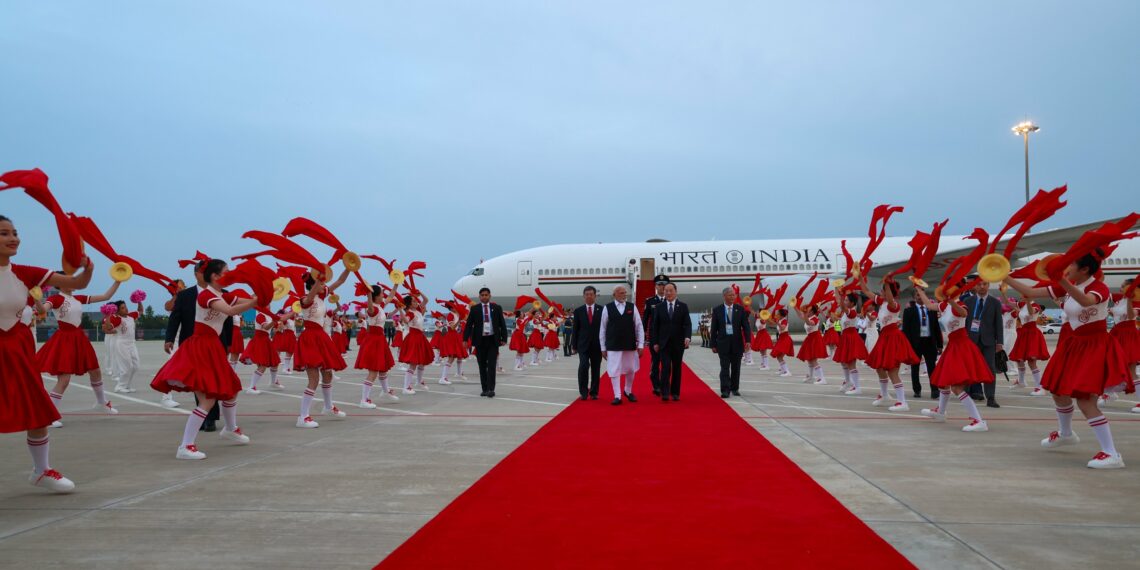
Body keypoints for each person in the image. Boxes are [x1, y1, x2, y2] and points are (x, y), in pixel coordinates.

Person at [1003, 250, 1130, 468]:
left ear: (1085, 269)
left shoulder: (1097, 287)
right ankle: (1066, 434)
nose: (1066, 269)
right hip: (1074, 345)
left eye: (1071, 265)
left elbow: (1086, 301)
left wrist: (1061, 279)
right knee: (1058, 391)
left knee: (1085, 400)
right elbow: (1029, 291)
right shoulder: (1067, 285)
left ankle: (1111, 453)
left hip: (1095, 345)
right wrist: (1004, 275)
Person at [1, 214, 96, 492]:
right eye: (4, 233)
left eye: (15, 232)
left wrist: (87, 267)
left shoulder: (26, 272)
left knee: (37, 410)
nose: (13, 238)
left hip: (18, 349)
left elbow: (77, 284)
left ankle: (41, 471)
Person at [152, 259, 257, 459]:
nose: (230, 274)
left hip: (212, 347)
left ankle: (230, 429)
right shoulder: (207, 295)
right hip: (200, 347)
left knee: (231, 389)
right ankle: (185, 446)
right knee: (208, 399)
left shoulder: (222, 294)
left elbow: (245, 301)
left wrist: (259, 296)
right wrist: (254, 301)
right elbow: (232, 310)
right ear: (215, 276)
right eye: (227, 272)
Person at [37, 280, 122, 424]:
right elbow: (43, 310)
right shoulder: (56, 298)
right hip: (64, 339)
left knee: (95, 371)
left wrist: (118, 280)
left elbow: (106, 296)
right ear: (60, 284)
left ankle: (101, 403)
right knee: (64, 379)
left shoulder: (78, 298)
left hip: (79, 338)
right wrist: (36, 298)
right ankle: (49, 415)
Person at [166, 259, 235, 431]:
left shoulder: (223, 293)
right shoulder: (185, 295)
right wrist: (169, 338)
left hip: (216, 343)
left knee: (217, 382)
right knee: (201, 383)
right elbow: (175, 318)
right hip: (193, 343)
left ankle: (216, 419)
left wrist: (229, 343)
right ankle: (208, 418)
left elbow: (228, 321)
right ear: (197, 274)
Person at [915, 284, 992, 432]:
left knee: (956, 387)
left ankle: (978, 420)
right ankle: (940, 412)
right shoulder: (943, 305)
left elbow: (963, 313)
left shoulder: (960, 303)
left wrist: (951, 300)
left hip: (962, 346)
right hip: (953, 345)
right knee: (944, 383)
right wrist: (919, 290)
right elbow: (930, 305)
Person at [292, 268, 351, 427]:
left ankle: (328, 407)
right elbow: (309, 297)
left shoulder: (322, 295)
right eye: (322, 282)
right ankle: (303, 417)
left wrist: (348, 267)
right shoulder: (304, 299)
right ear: (314, 283)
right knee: (314, 379)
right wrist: (319, 278)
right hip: (310, 338)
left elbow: (340, 281)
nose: (325, 285)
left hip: (321, 337)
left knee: (327, 376)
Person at [859, 278, 919, 412]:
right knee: (880, 368)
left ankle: (902, 402)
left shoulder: (894, 305)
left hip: (893, 337)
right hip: (884, 337)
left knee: (892, 371)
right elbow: (866, 291)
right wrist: (860, 278)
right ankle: (885, 395)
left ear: (888, 292)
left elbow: (891, 299)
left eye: (883, 290)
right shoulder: (881, 302)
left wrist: (886, 283)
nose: (880, 292)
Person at [599, 284, 645, 405]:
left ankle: (628, 391)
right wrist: (603, 347)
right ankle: (617, 395)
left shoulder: (632, 307)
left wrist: (641, 345)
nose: (624, 295)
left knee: (631, 368)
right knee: (614, 370)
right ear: (614, 294)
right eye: (621, 292)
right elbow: (602, 329)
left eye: (625, 292)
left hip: (629, 343)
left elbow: (639, 327)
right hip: (613, 344)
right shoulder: (607, 308)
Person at [355, 285, 399, 406]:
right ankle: (364, 400)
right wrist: (368, 294)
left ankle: (385, 391)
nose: (383, 295)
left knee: (383, 369)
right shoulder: (372, 309)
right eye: (381, 294)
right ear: (375, 296)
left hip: (380, 339)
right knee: (373, 371)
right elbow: (369, 306)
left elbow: (391, 296)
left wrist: (396, 283)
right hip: (373, 340)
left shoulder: (380, 306)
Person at [963, 278, 1004, 408]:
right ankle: (966, 394)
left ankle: (991, 397)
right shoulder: (968, 301)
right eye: (979, 284)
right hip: (971, 340)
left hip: (989, 341)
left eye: (984, 284)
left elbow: (998, 323)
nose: (982, 287)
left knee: (989, 369)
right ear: (975, 286)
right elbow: (964, 322)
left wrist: (1000, 342)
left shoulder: (995, 302)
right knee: (969, 367)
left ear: (988, 285)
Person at [650, 282, 691, 401]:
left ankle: (675, 392)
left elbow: (687, 324)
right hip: (664, 343)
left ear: (675, 291)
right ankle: (665, 392)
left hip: (678, 343)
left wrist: (687, 337)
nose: (668, 293)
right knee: (666, 367)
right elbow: (655, 326)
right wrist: (655, 342)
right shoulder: (659, 307)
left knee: (677, 368)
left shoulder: (683, 306)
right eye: (666, 291)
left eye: (670, 290)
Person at [463, 287, 508, 397]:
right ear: (479, 297)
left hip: (493, 340)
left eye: (486, 295)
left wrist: (504, 338)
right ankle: (484, 388)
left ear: (490, 296)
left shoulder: (497, 308)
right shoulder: (474, 309)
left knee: (492, 365)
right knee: (482, 366)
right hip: (480, 341)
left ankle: (491, 389)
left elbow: (502, 324)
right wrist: (465, 339)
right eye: (482, 295)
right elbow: (468, 325)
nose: (484, 297)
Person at [710, 287, 751, 398]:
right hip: (723, 344)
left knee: (736, 367)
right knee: (724, 368)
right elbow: (714, 328)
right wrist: (713, 344)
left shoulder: (740, 309)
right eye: (730, 295)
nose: (733, 297)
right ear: (724, 296)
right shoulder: (717, 310)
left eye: (734, 295)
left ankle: (735, 388)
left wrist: (748, 340)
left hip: (737, 343)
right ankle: (725, 390)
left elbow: (746, 326)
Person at [903, 290, 942, 399]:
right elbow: (906, 330)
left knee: (931, 367)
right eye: (918, 295)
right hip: (915, 343)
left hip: (929, 342)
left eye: (922, 295)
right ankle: (917, 390)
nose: (920, 297)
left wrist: (939, 344)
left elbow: (936, 328)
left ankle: (934, 390)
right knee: (915, 368)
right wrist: (907, 345)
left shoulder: (932, 310)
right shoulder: (909, 311)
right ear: (914, 297)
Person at [1007, 299, 1050, 396]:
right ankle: (1021, 382)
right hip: (1023, 333)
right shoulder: (1021, 304)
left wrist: (1027, 301)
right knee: (1019, 359)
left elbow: (1031, 312)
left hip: (1032, 333)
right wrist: (1004, 293)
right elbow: (1008, 303)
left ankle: (1040, 387)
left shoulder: (1036, 305)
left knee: (1031, 361)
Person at [399, 291, 436, 394]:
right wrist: (400, 310)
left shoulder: (418, 310)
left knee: (422, 361)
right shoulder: (410, 312)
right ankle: (406, 387)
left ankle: (419, 382)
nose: (417, 302)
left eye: (416, 300)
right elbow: (406, 321)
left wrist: (419, 292)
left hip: (420, 336)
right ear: (409, 304)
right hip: (413, 337)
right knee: (413, 363)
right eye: (414, 301)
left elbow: (426, 300)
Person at [833, 293, 869, 395]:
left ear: (852, 303)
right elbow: (841, 306)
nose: (845, 302)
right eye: (845, 300)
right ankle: (848, 381)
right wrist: (837, 288)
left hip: (851, 337)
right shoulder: (846, 313)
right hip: (845, 337)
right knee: (843, 361)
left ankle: (857, 387)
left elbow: (841, 305)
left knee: (851, 363)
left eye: (847, 300)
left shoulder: (851, 312)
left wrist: (841, 294)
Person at [571, 286, 603, 400]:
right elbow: (575, 329)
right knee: (583, 366)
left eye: (591, 294)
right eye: (587, 294)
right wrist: (574, 345)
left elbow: (605, 328)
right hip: (583, 345)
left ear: (595, 296)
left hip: (597, 345)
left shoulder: (602, 309)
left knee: (596, 369)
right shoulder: (579, 311)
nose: (589, 296)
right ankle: (583, 392)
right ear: (584, 296)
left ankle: (594, 392)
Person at [105, 299, 143, 395]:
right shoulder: (117, 319)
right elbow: (108, 327)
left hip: (132, 344)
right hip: (122, 344)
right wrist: (108, 315)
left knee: (136, 366)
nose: (125, 309)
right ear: (117, 311)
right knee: (126, 367)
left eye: (125, 306)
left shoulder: (131, 316)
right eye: (122, 308)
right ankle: (119, 386)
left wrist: (139, 300)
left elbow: (140, 311)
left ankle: (126, 385)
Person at [241, 311, 282, 394]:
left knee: (275, 362)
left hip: (265, 339)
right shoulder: (260, 315)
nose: (269, 305)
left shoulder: (269, 316)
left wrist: (279, 325)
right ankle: (251, 387)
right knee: (262, 364)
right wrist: (274, 321)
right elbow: (266, 327)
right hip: (259, 340)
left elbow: (275, 329)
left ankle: (273, 382)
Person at [643, 275, 667, 396]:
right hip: (655, 336)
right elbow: (645, 319)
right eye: (659, 285)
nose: (661, 287)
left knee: (666, 362)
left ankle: (664, 385)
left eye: (663, 285)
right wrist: (642, 335)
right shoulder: (650, 301)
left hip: (667, 337)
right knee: (656, 360)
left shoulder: (670, 300)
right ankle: (656, 385)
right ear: (655, 286)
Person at [794, 303, 829, 385]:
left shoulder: (815, 318)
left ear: (812, 311)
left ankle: (822, 378)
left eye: (808, 310)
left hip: (815, 338)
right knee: (809, 359)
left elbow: (810, 323)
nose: (806, 311)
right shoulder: (808, 317)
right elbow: (800, 315)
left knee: (813, 359)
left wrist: (805, 315)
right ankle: (811, 377)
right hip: (810, 338)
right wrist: (795, 306)